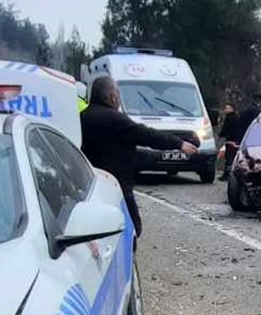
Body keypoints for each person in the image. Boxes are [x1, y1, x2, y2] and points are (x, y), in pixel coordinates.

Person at [81, 76, 198, 241]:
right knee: (133, 228)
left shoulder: (82, 118)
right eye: (118, 95)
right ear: (113, 97)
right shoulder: (115, 119)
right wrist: (178, 144)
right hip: (118, 185)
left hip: (90, 184)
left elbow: (126, 151)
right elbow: (145, 135)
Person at [218, 104, 239, 179]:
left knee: (229, 158)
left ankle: (227, 174)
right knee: (233, 158)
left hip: (230, 141)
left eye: (227, 108)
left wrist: (221, 135)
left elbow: (226, 129)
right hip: (236, 141)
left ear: (232, 109)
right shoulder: (236, 117)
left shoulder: (229, 118)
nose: (225, 110)